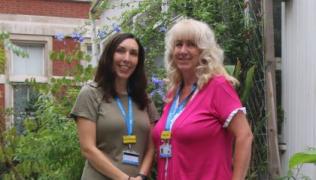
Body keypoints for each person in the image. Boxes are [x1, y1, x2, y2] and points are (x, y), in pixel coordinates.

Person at [152, 19, 253, 180]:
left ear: (204, 51)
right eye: (178, 44)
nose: (183, 50)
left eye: (191, 44)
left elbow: (245, 136)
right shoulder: (174, 93)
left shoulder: (217, 86)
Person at [71, 32, 159, 180]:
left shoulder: (144, 99)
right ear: (109, 55)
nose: (127, 58)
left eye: (133, 53)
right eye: (121, 51)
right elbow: (88, 149)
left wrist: (142, 176)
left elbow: (151, 147)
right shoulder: (91, 93)